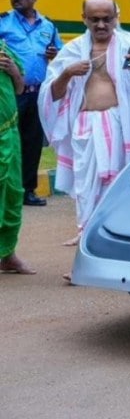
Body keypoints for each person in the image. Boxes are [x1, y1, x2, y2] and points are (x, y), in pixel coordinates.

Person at [38, 0, 130, 259]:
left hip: (122, 128)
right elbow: (50, 94)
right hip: (85, 128)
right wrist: (66, 73)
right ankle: (89, 248)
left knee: (118, 190)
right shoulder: (73, 50)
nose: (100, 25)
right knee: (86, 191)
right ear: (83, 18)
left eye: (106, 19)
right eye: (94, 19)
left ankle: (115, 246)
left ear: (115, 18)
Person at [0, 0, 61, 207]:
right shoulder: (3, 22)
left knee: (33, 143)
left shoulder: (48, 25)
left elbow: (60, 54)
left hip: (38, 94)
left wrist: (54, 54)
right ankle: (6, 190)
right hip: (11, 92)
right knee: (8, 142)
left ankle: (28, 191)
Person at [0, 37, 34, 274]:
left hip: (8, 133)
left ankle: (7, 255)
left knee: (12, 193)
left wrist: (13, 71)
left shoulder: (5, 50)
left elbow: (20, 88)